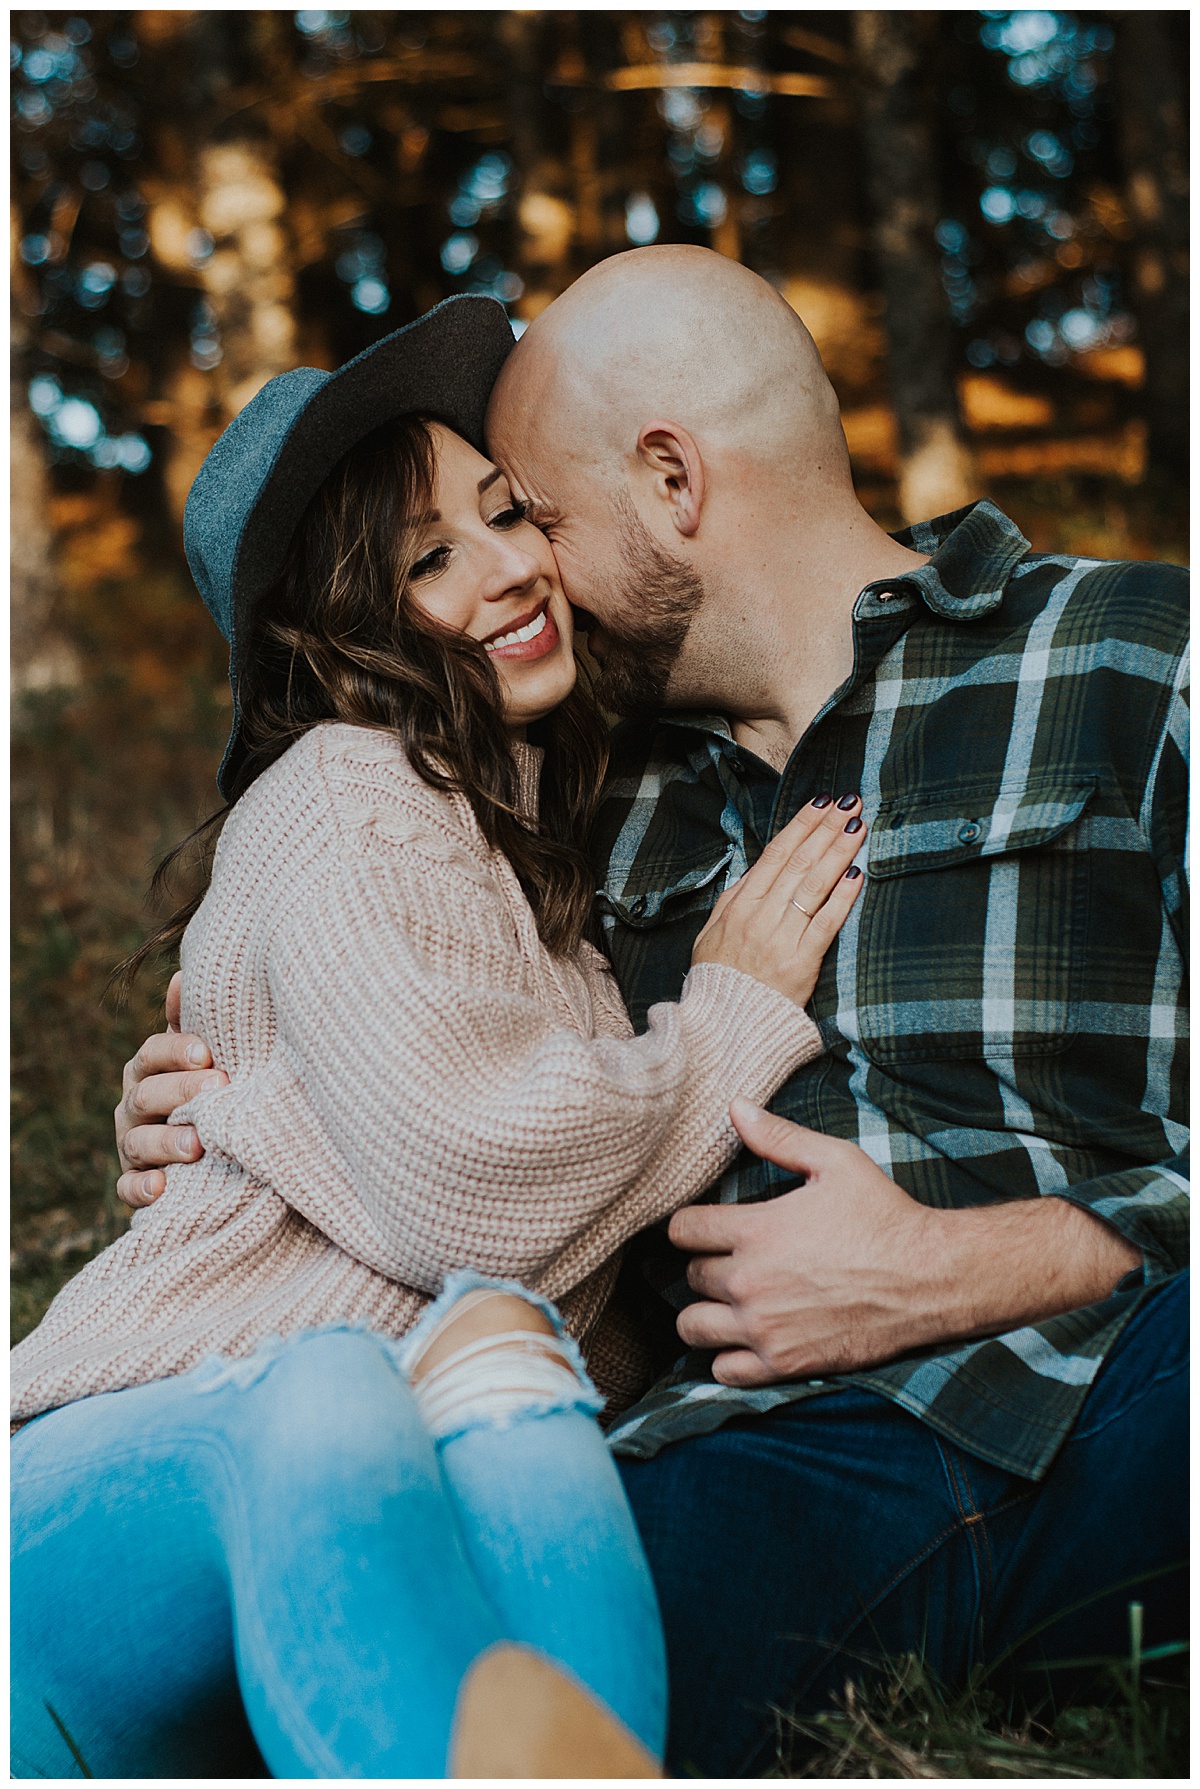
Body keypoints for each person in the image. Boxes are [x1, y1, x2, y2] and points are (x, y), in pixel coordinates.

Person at [117, 249, 1189, 1776]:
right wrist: (207, 1104)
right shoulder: (551, 791)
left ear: (672, 479)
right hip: (728, 1468)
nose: (523, 573)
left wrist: (971, 1262)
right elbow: (390, 1013)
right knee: (359, 1672)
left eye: (531, 515)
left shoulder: (1140, 656)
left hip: (1126, 1387)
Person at [11, 295, 871, 1780]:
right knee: (370, 1365)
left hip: (325, 1562)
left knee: (500, 1360)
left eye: (504, 513)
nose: (509, 570)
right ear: (340, 630)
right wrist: (725, 1025)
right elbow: (475, 1176)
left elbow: (498, 1234)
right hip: (108, 1523)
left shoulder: (523, 876)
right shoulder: (349, 791)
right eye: (428, 559)